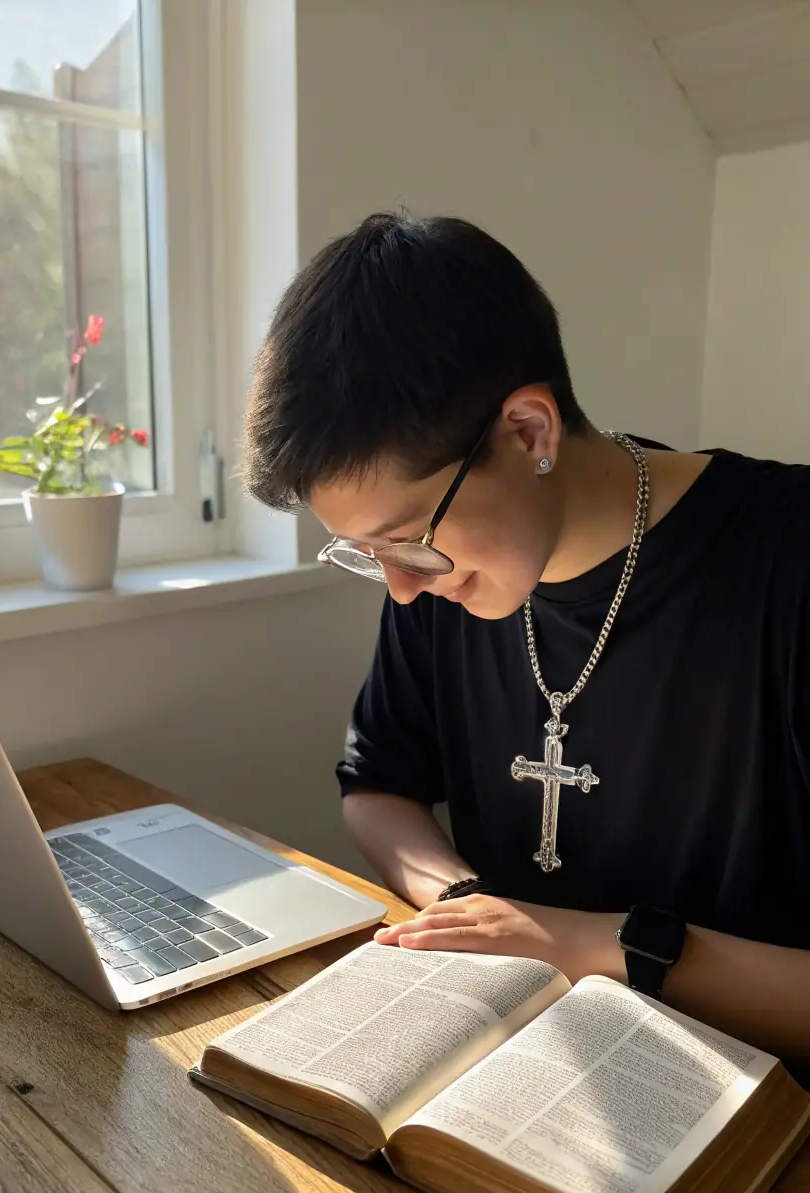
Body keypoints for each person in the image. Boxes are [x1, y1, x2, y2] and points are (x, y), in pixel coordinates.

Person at [241, 210, 810, 1082]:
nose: (401, 586)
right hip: (526, 1065)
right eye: (365, 552)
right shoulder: (445, 579)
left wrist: (593, 944)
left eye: (405, 539)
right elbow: (378, 786)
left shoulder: (788, 563)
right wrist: (464, 907)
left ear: (531, 431)